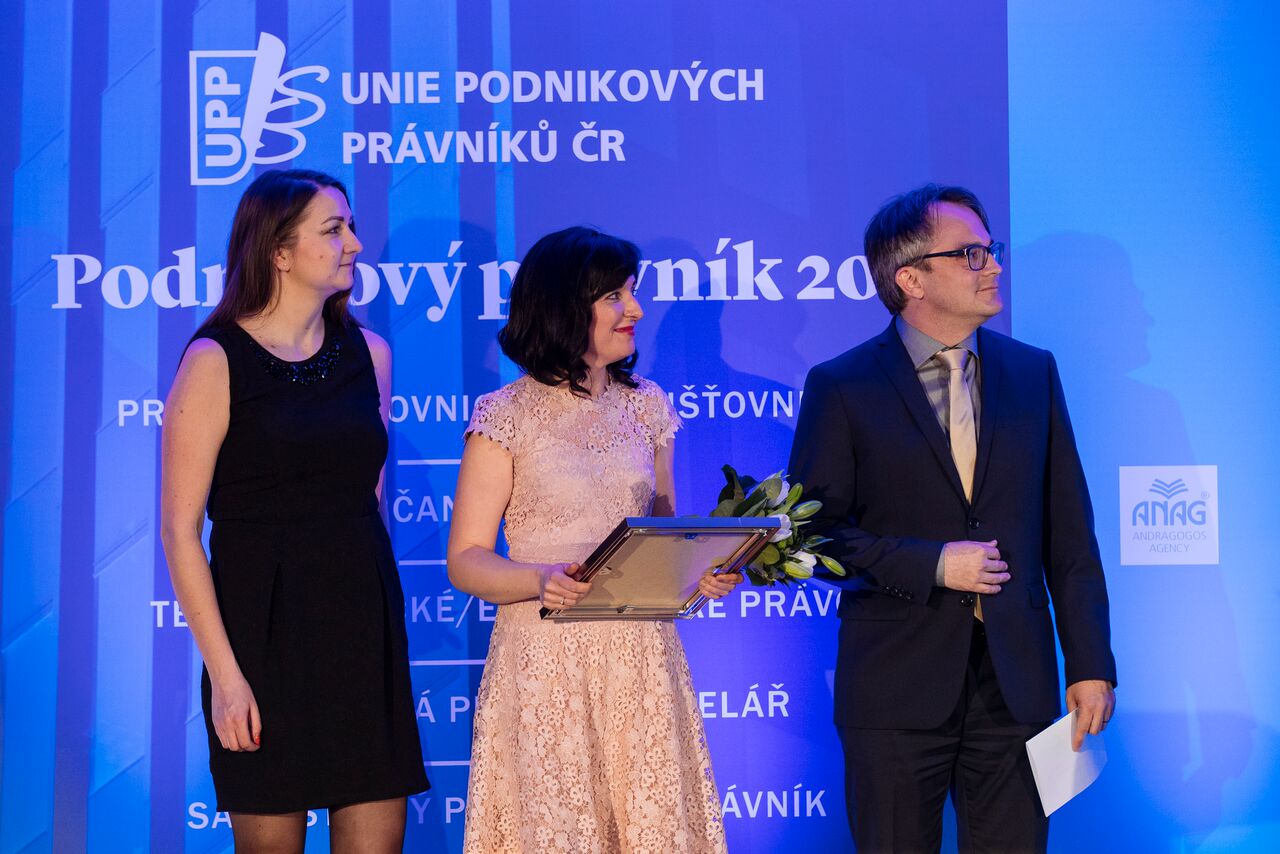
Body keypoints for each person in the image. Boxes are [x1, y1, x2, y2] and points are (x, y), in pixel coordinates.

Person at [788, 184, 1117, 852]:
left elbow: (1069, 536)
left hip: (1016, 686)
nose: (992, 266)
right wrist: (933, 564)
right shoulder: (843, 385)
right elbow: (811, 535)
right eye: (970, 254)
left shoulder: (1033, 373)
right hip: (895, 689)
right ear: (911, 279)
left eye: (990, 249)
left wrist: (1090, 663)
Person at [448, 226, 740, 853]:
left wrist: (702, 572)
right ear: (563, 306)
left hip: (641, 659)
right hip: (546, 659)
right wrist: (538, 579)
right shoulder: (506, 415)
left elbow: (663, 532)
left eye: (631, 291)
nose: (635, 309)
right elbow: (466, 561)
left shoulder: (647, 406)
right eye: (614, 295)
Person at [160, 169, 428, 852]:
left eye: (350, 227)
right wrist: (226, 678)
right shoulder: (215, 359)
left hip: (361, 630)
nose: (355, 244)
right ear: (279, 251)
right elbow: (180, 533)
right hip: (263, 639)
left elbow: (367, 498)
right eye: (333, 230)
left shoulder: (371, 355)